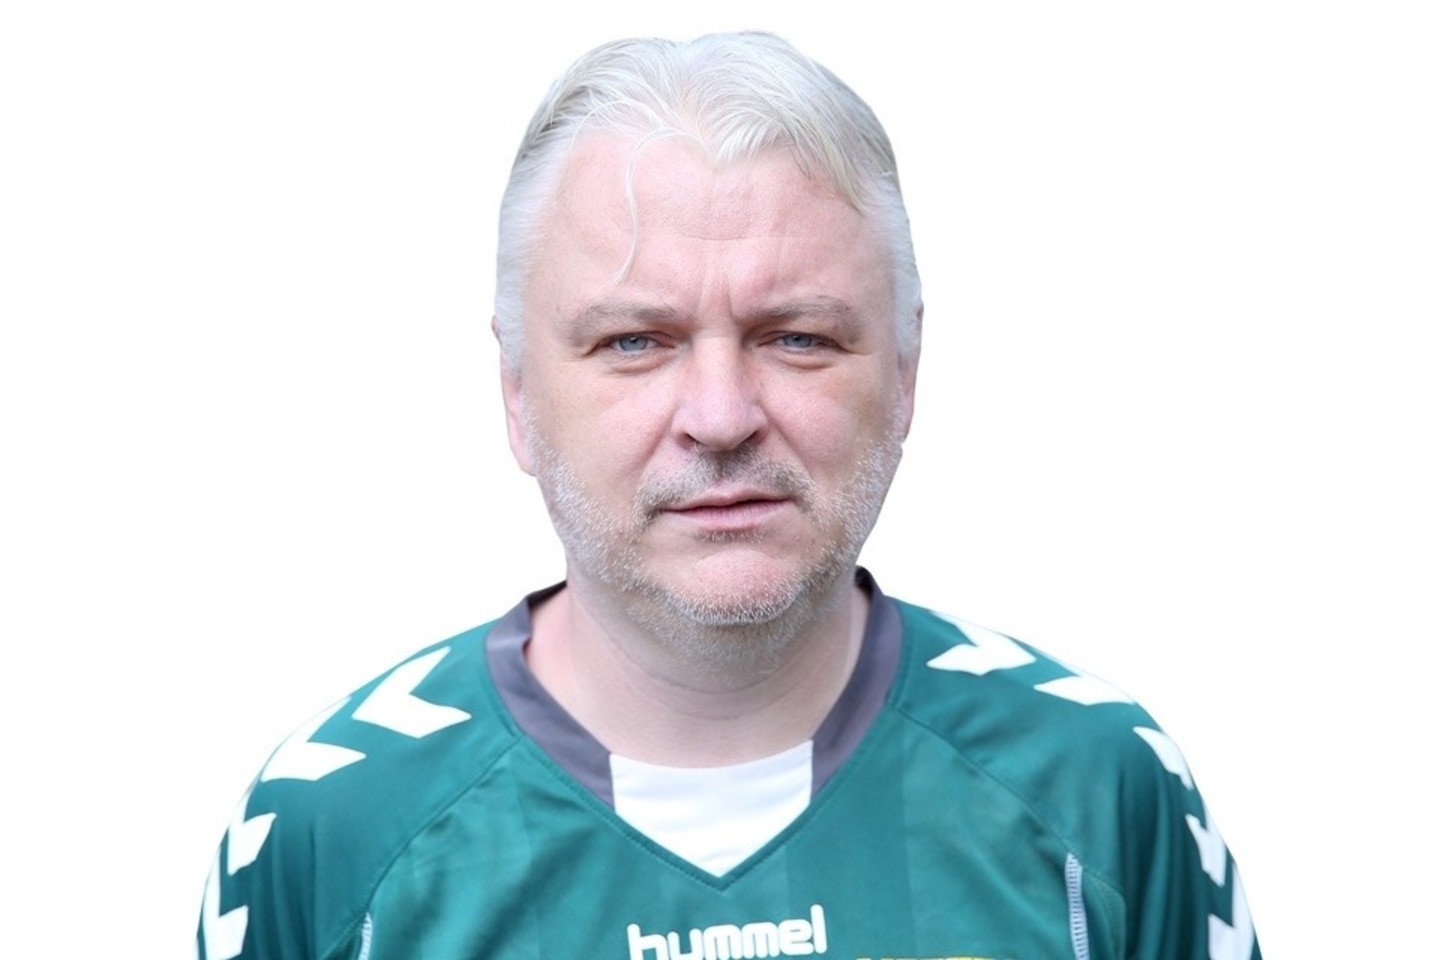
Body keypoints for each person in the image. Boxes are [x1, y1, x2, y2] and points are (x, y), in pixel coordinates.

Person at [197, 31, 1258, 960]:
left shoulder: (1101, 789)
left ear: (905, 372)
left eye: (797, 337)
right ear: (517, 391)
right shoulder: (328, 831)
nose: (719, 414)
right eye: (635, 341)